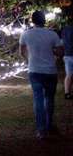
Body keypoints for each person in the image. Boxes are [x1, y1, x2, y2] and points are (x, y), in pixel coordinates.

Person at [19, 10, 64, 139]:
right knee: (49, 99)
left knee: (38, 99)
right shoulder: (52, 35)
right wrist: (53, 54)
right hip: (50, 71)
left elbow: (22, 52)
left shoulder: (26, 34)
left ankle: (41, 130)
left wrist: (29, 60)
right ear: (44, 20)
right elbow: (60, 52)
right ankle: (49, 125)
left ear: (32, 21)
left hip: (34, 71)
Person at [61, 9, 73, 100]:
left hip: (67, 54)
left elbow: (62, 42)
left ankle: (67, 93)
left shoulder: (65, 29)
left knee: (68, 74)